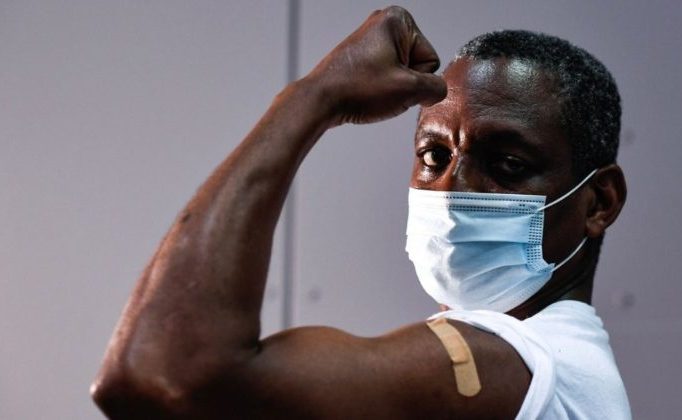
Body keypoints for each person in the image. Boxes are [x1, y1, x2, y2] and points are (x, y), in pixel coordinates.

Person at [91, 6, 630, 419]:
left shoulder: (521, 366)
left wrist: (317, 94)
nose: (451, 189)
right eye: (434, 156)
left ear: (599, 202)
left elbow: (161, 370)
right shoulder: (560, 369)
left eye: (508, 164)